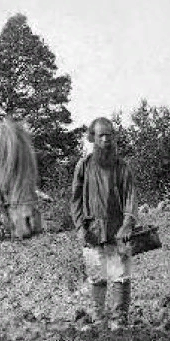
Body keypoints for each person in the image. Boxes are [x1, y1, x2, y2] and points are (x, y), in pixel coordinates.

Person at [70, 117, 138, 328]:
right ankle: (98, 318)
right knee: (96, 275)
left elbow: (130, 197)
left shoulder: (122, 167)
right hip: (92, 230)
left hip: (117, 230)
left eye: (109, 134)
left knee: (120, 275)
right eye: (101, 135)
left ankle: (119, 320)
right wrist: (80, 227)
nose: (106, 139)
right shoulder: (84, 166)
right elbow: (76, 199)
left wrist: (127, 223)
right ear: (93, 138)